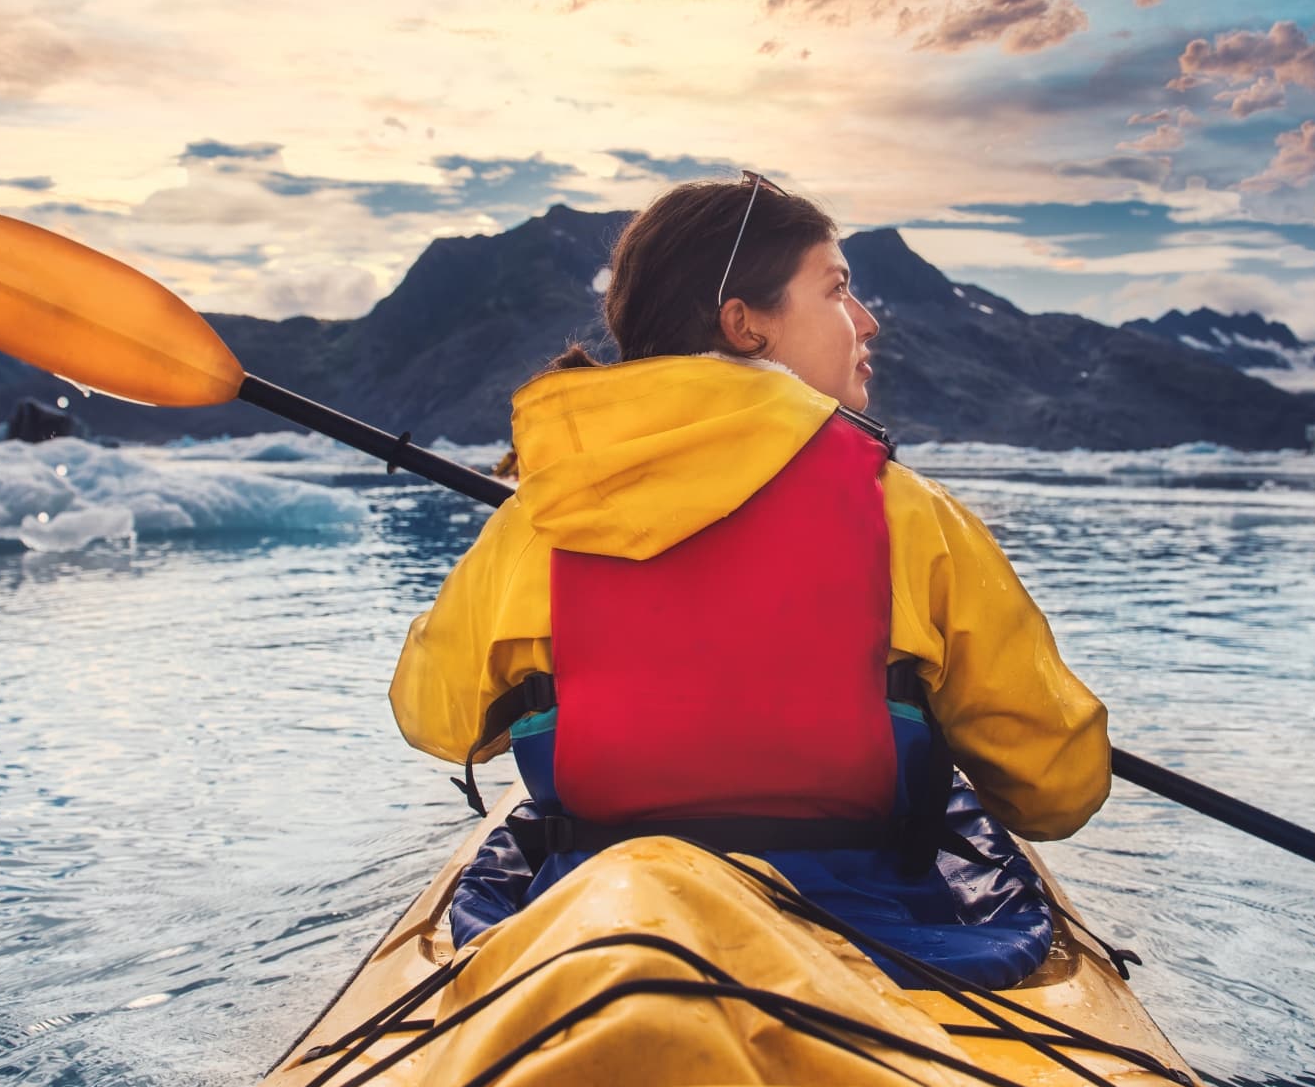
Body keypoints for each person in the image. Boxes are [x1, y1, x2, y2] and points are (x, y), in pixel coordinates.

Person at [389, 173, 1110, 987]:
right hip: (880, 940)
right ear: (744, 324)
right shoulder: (910, 516)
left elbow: (436, 718)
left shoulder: (539, 523)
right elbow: (1058, 788)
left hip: (598, 933)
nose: (867, 319)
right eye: (837, 288)